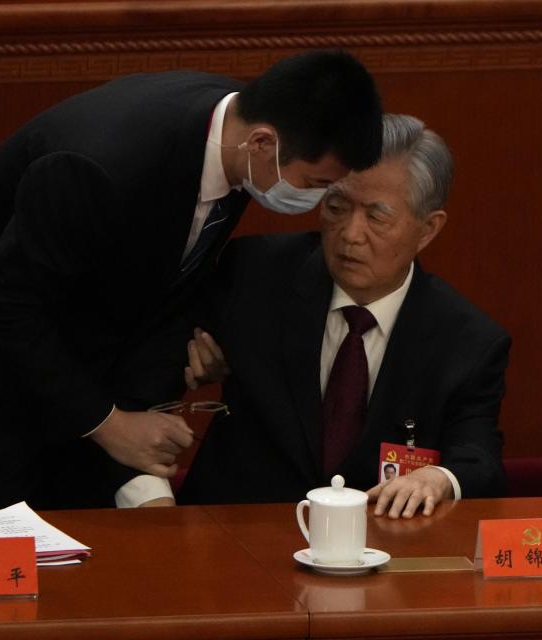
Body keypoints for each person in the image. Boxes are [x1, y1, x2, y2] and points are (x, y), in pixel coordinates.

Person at [0, 50, 383, 511]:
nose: (312, 202)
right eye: (315, 185)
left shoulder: (239, 139)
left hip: (66, 345)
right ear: (263, 142)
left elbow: (163, 282)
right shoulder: (100, 166)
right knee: (13, 561)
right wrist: (108, 423)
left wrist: (127, 411)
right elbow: (6, 307)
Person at [179, 114, 509, 518]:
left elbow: (480, 460)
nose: (351, 234)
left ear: (427, 230)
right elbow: (156, 350)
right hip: (234, 534)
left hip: (377, 550)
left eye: (377, 217)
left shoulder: (467, 341)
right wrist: (191, 357)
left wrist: (438, 477)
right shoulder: (253, 274)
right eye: (336, 206)